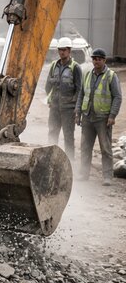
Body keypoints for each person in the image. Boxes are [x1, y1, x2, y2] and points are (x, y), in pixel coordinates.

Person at [75, 48, 123, 185]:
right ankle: (84, 174)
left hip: (103, 118)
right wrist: (78, 113)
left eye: (99, 59)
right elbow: (81, 94)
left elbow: (117, 97)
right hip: (88, 116)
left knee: (105, 148)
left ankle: (107, 176)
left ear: (104, 60)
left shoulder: (111, 76)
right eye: (94, 58)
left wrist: (112, 115)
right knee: (85, 147)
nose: (96, 61)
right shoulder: (88, 75)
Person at [45, 36, 82, 161]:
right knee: (52, 132)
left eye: (64, 50)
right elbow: (47, 85)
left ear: (69, 51)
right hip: (54, 107)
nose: (62, 52)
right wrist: (50, 99)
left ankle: (69, 161)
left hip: (68, 109)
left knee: (68, 136)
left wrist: (76, 108)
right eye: (60, 50)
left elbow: (79, 89)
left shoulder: (75, 67)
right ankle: (51, 159)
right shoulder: (54, 65)